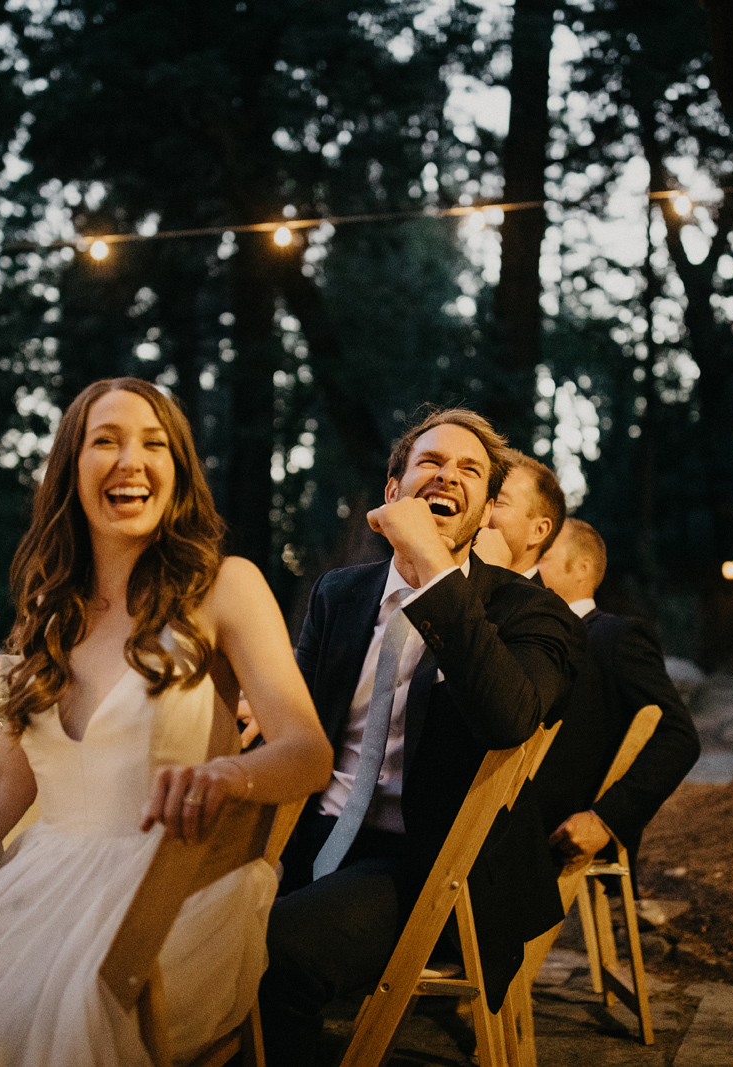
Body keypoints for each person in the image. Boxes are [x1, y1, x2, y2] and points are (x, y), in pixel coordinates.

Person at [0, 378, 333, 1067]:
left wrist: (229, 771)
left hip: (169, 909)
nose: (130, 461)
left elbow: (307, 752)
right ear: (70, 470)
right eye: (104, 440)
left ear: (179, 470)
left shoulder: (225, 586)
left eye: (154, 443)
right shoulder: (46, 616)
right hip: (42, 888)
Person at [260, 408, 585, 1067]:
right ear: (392, 492)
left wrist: (435, 569)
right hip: (308, 832)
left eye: (470, 470)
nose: (448, 475)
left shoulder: (530, 611)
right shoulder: (340, 593)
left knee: (270, 953)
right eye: (431, 463)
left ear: (487, 507)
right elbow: (296, 713)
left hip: (427, 864)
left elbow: (507, 717)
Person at [533, 519, 700, 867]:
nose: (529, 566)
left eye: (542, 555)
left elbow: (678, 736)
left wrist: (604, 819)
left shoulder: (614, 637)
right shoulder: (522, 639)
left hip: (557, 843)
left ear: (581, 568)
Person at [479, 449, 566, 579]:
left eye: (498, 501)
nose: (481, 509)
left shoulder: (542, 600)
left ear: (539, 531)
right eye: (480, 497)